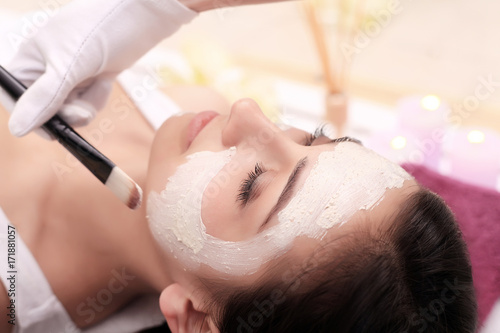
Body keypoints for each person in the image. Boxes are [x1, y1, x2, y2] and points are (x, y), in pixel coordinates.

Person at [0, 0, 477, 332]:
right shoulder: (188, 108)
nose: (247, 111)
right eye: (315, 138)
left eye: (251, 186)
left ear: (197, 320)